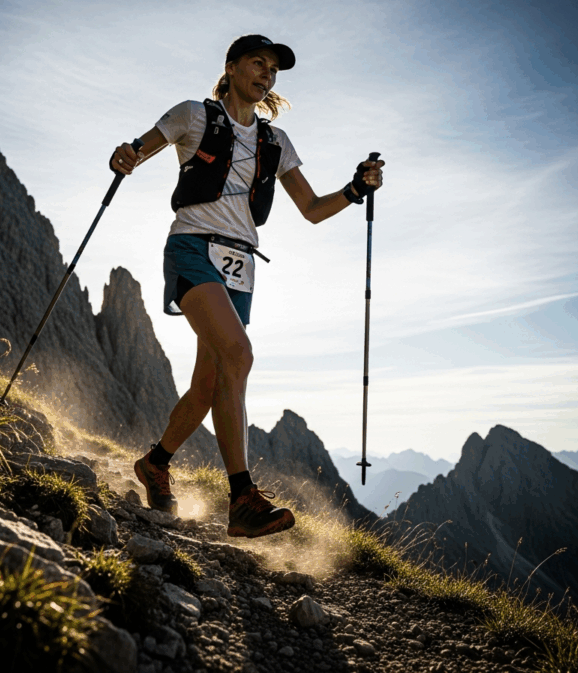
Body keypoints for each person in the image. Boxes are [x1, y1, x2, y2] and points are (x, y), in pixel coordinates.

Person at [110, 34, 384, 538]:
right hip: (192, 247)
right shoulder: (194, 115)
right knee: (239, 355)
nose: (266, 75)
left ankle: (155, 463)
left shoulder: (275, 142)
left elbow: (313, 210)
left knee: (210, 384)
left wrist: (355, 189)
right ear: (232, 67)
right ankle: (242, 498)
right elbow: (140, 149)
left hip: (240, 265)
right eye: (258, 63)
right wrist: (125, 156)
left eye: (274, 71)